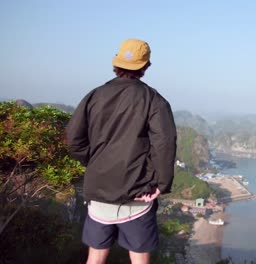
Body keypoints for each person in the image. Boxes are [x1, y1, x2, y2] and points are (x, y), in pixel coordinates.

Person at [66, 39, 177, 264]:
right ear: (146, 66)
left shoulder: (94, 96)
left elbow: (73, 139)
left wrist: (95, 162)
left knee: (95, 257)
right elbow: (164, 144)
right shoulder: (154, 100)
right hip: (137, 194)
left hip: (98, 192)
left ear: (116, 62)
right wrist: (162, 184)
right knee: (139, 259)